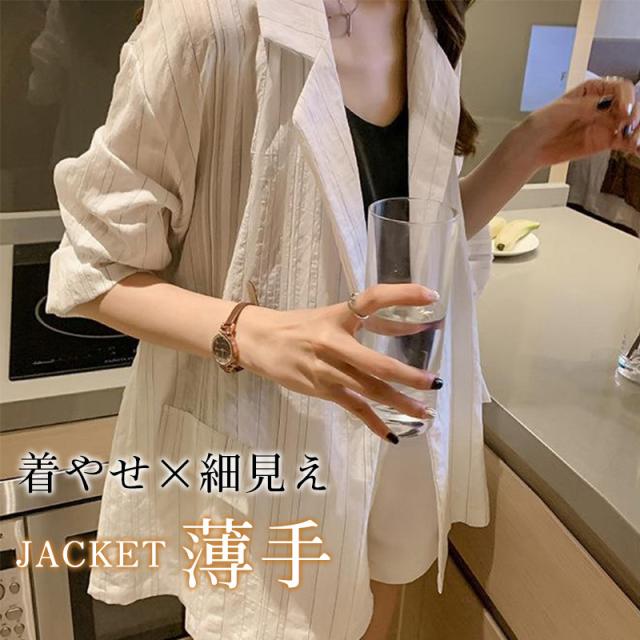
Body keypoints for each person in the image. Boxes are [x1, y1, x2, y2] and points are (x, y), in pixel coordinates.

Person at [45, 1, 639, 638]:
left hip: (394, 438)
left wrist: (529, 146)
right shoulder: (209, 20)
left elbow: (412, 236)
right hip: (272, 454)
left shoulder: (430, 24)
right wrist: (251, 332)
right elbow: (92, 268)